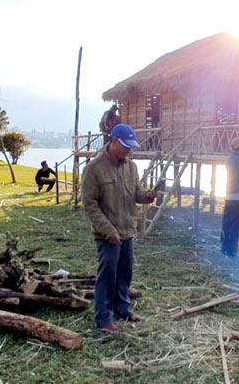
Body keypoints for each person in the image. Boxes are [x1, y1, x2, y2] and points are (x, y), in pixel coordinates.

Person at [82, 124, 156, 333]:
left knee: (125, 273)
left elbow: (135, 192)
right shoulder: (94, 169)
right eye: (125, 146)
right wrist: (108, 230)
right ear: (113, 141)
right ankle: (103, 318)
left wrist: (146, 195)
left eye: (131, 147)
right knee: (108, 276)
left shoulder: (131, 167)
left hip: (127, 230)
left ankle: (122, 310)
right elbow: (90, 205)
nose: (129, 151)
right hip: (107, 234)